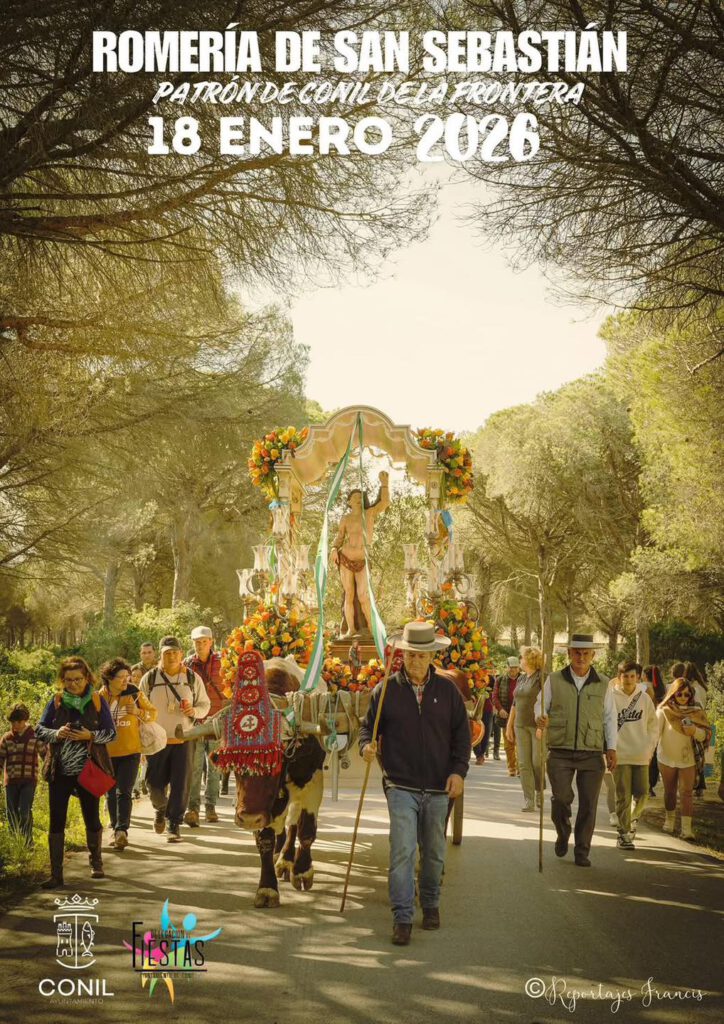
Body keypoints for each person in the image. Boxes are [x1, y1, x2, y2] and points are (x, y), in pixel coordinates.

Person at [359, 621, 471, 946]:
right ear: (402, 654)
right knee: (402, 850)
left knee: (434, 853)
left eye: (422, 656)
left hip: (439, 786)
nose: (415, 661)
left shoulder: (448, 692)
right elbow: (367, 729)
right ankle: (403, 916)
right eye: (410, 655)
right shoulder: (385, 691)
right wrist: (366, 746)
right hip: (400, 785)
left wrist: (458, 772)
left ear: (432, 655)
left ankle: (431, 902)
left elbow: (462, 738)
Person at [535, 634, 617, 868]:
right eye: (576, 653)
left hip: (591, 752)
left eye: (585, 653)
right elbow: (540, 705)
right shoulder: (554, 679)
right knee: (561, 798)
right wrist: (540, 718)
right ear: (569, 654)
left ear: (593, 655)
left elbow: (610, 718)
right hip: (560, 750)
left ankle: (582, 851)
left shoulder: (603, 683)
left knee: (589, 804)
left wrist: (611, 747)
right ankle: (563, 832)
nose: (581, 657)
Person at [36, 657, 116, 888]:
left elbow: (111, 734)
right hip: (59, 770)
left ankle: (96, 860)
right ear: (62, 680)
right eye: (68, 680)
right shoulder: (57, 701)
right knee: (56, 820)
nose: (73, 684)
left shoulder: (97, 701)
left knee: (91, 817)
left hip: (89, 770)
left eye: (78, 679)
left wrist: (89, 735)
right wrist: (57, 733)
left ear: (87, 678)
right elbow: (40, 730)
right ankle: (56, 874)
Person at [140, 636, 210, 842]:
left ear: (181, 655)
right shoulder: (150, 678)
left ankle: (173, 824)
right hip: (156, 741)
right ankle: (160, 808)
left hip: (184, 739)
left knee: (181, 784)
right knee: (153, 784)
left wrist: (194, 710)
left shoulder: (191, 678)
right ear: (160, 656)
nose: (171, 657)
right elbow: (139, 706)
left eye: (174, 653)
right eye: (166, 653)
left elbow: (204, 705)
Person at [98, 657, 157, 849]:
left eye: (127, 676)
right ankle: (116, 829)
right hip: (106, 754)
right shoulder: (99, 697)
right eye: (121, 677)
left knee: (124, 792)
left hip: (131, 752)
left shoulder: (134, 693)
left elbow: (153, 714)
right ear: (109, 678)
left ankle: (121, 830)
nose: (126, 680)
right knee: (111, 795)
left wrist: (138, 712)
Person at [331, 472, 389, 638]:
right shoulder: (345, 518)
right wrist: (334, 549)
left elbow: (384, 502)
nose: (357, 498)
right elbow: (339, 537)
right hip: (346, 558)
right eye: (354, 496)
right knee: (349, 595)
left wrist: (384, 484)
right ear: (349, 502)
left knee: (363, 595)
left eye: (359, 496)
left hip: (362, 558)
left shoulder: (369, 513)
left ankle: (372, 629)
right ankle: (351, 629)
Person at [610, 664, 659, 850]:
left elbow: (653, 726)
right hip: (620, 754)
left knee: (643, 793)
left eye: (632, 676)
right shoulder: (611, 698)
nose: (629, 680)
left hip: (640, 754)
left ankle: (631, 821)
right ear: (619, 676)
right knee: (623, 796)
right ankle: (623, 834)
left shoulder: (645, 699)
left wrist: (649, 747)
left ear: (638, 677)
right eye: (625, 676)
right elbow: (606, 722)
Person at [656, 678, 711, 840]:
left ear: (691, 695)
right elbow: (655, 734)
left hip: (689, 759)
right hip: (666, 757)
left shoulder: (697, 712)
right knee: (670, 791)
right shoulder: (664, 711)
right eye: (679, 693)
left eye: (686, 694)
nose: (682, 697)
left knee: (687, 792)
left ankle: (686, 829)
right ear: (673, 693)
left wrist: (694, 730)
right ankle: (669, 822)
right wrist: (648, 753)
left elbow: (705, 735)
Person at [183, 626, 227, 827]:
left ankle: (211, 806)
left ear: (211, 641)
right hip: (195, 722)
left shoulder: (223, 662)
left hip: (217, 721)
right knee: (194, 768)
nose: (200, 645)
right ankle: (193, 808)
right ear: (192, 643)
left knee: (215, 768)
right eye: (197, 642)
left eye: (204, 641)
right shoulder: (186, 665)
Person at [0, 703, 46, 844]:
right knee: (11, 813)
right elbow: (0, 759)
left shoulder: (35, 736)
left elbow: (45, 754)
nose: (15, 725)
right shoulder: (6, 738)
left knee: (24, 811)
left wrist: (51, 772)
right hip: (11, 781)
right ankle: (15, 843)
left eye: (18, 722)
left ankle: (27, 841)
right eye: (13, 722)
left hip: (29, 780)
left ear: (24, 720)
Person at [506, 647, 544, 812]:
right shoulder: (521, 679)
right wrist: (509, 725)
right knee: (523, 763)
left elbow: (547, 703)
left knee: (537, 761)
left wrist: (542, 726)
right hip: (519, 725)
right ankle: (529, 799)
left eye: (521, 658)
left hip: (536, 726)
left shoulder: (542, 678)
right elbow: (515, 704)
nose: (519, 660)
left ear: (529, 660)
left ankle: (539, 791)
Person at [492, 657, 520, 774]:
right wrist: (500, 709)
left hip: (520, 715)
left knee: (520, 744)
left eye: (515, 667)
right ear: (507, 667)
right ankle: (511, 767)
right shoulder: (500, 680)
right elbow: (494, 696)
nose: (513, 670)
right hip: (506, 715)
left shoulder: (524, 679)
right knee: (509, 744)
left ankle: (520, 768)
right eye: (511, 667)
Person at [643, 665, 666, 795]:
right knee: (655, 754)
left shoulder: (644, 686)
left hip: (646, 723)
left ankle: (645, 784)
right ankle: (651, 785)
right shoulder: (663, 688)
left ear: (645, 675)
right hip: (659, 723)